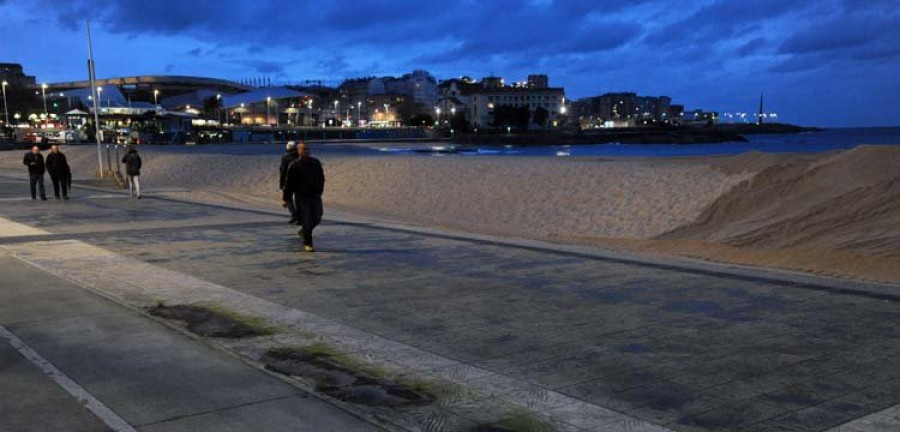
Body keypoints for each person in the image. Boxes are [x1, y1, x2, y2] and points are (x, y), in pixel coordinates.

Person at [282, 143, 325, 252]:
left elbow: (321, 177)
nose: (306, 151)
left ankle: (303, 232)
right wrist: (286, 199)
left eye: (308, 149)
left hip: (315, 195)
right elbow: (288, 183)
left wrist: (320, 189)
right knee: (306, 220)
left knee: (317, 218)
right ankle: (308, 243)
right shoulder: (294, 165)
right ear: (299, 151)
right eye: (304, 149)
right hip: (301, 196)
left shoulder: (316, 163)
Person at [279, 141, 300, 224]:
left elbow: (283, 171)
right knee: (299, 199)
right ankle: (299, 215)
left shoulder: (285, 157)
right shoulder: (299, 156)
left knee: (288, 199)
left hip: (289, 181)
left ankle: (294, 214)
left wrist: (281, 184)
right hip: (299, 181)